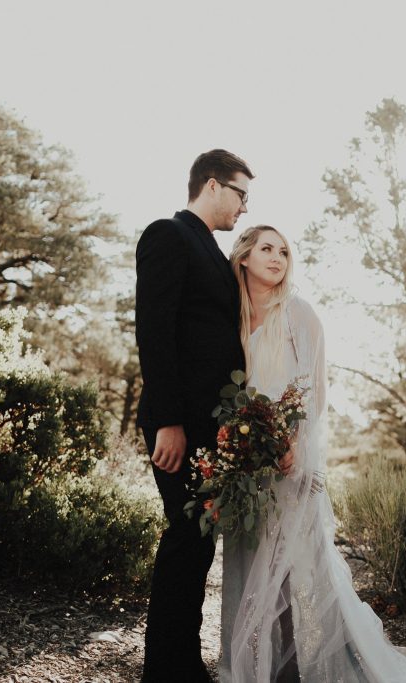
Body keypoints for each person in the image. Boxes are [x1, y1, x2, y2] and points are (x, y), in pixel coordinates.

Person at [219, 225, 406, 683]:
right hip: (248, 464)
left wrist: (294, 447)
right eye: (266, 249)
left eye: (284, 251)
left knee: (294, 566)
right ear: (244, 257)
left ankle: (304, 667)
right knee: (250, 566)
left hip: (290, 461)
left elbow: (313, 392)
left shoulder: (300, 314)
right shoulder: (230, 316)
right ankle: (255, 664)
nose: (277, 258)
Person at [135, 149, 254, 682]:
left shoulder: (212, 251)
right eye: (241, 194)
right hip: (177, 421)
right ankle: (166, 668)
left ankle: (181, 662)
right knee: (186, 537)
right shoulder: (168, 234)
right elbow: (154, 330)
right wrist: (168, 421)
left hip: (210, 426)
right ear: (212, 184)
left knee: (198, 542)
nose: (244, 207)